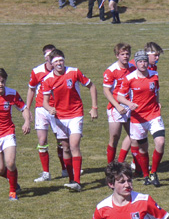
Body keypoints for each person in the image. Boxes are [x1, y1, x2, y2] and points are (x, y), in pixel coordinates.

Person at [41, 49, 98, 192]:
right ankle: (71, 178)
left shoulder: (74, 72)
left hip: (76, 114)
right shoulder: (48, 80)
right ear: (51, 64)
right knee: (65, 148)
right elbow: (45, 102)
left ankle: (77, 181)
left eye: (61, 60)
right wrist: (50, 109)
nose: (59, 63)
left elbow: (91, 86)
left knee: (74, 146)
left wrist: (94, 107)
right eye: (56, 62)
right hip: (59, 117)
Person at [115, 50, 166, 187]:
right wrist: (129, 103)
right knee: (143, 149)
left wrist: (158, 102)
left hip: (154, 115)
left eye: (144, 61)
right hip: (138, 118)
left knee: (160, 142)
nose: (143, 64)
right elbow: (120, 97)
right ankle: (145, 175)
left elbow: (156, 91)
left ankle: (153, 172)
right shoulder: (129, 78)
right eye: (140, 61)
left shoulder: (154, 75)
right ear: (136, 63)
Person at [27, 44, 64, 183]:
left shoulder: (62, 71)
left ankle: (65, 169)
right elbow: (31, 89)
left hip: (57, 108)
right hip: (41, 109)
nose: (50, 58)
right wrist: (27, 108)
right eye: (48, 55)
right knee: (42, 141)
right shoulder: (37, 71)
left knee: (61, 140)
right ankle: (46, 173)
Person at [0, 68, 30, 201]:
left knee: (10, 163)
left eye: (2, 81)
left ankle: (12, 192)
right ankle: (14, 182)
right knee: (1, 169)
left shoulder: (12, 93)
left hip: (8, 132)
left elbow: (23, 108)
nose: (0, 84)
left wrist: (27, 122)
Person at [102, 43, 134, 166]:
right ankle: (111, 166)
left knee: (134, 135)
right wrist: (117, 105)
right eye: (122, 54)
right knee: (114, 136)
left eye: (127, 54)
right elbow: (106, 91)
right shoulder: (111, 71)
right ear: (117, 55)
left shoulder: (133, 68)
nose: (125, 56)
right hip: (116, 108)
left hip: (130, 106)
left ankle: (127, 162)